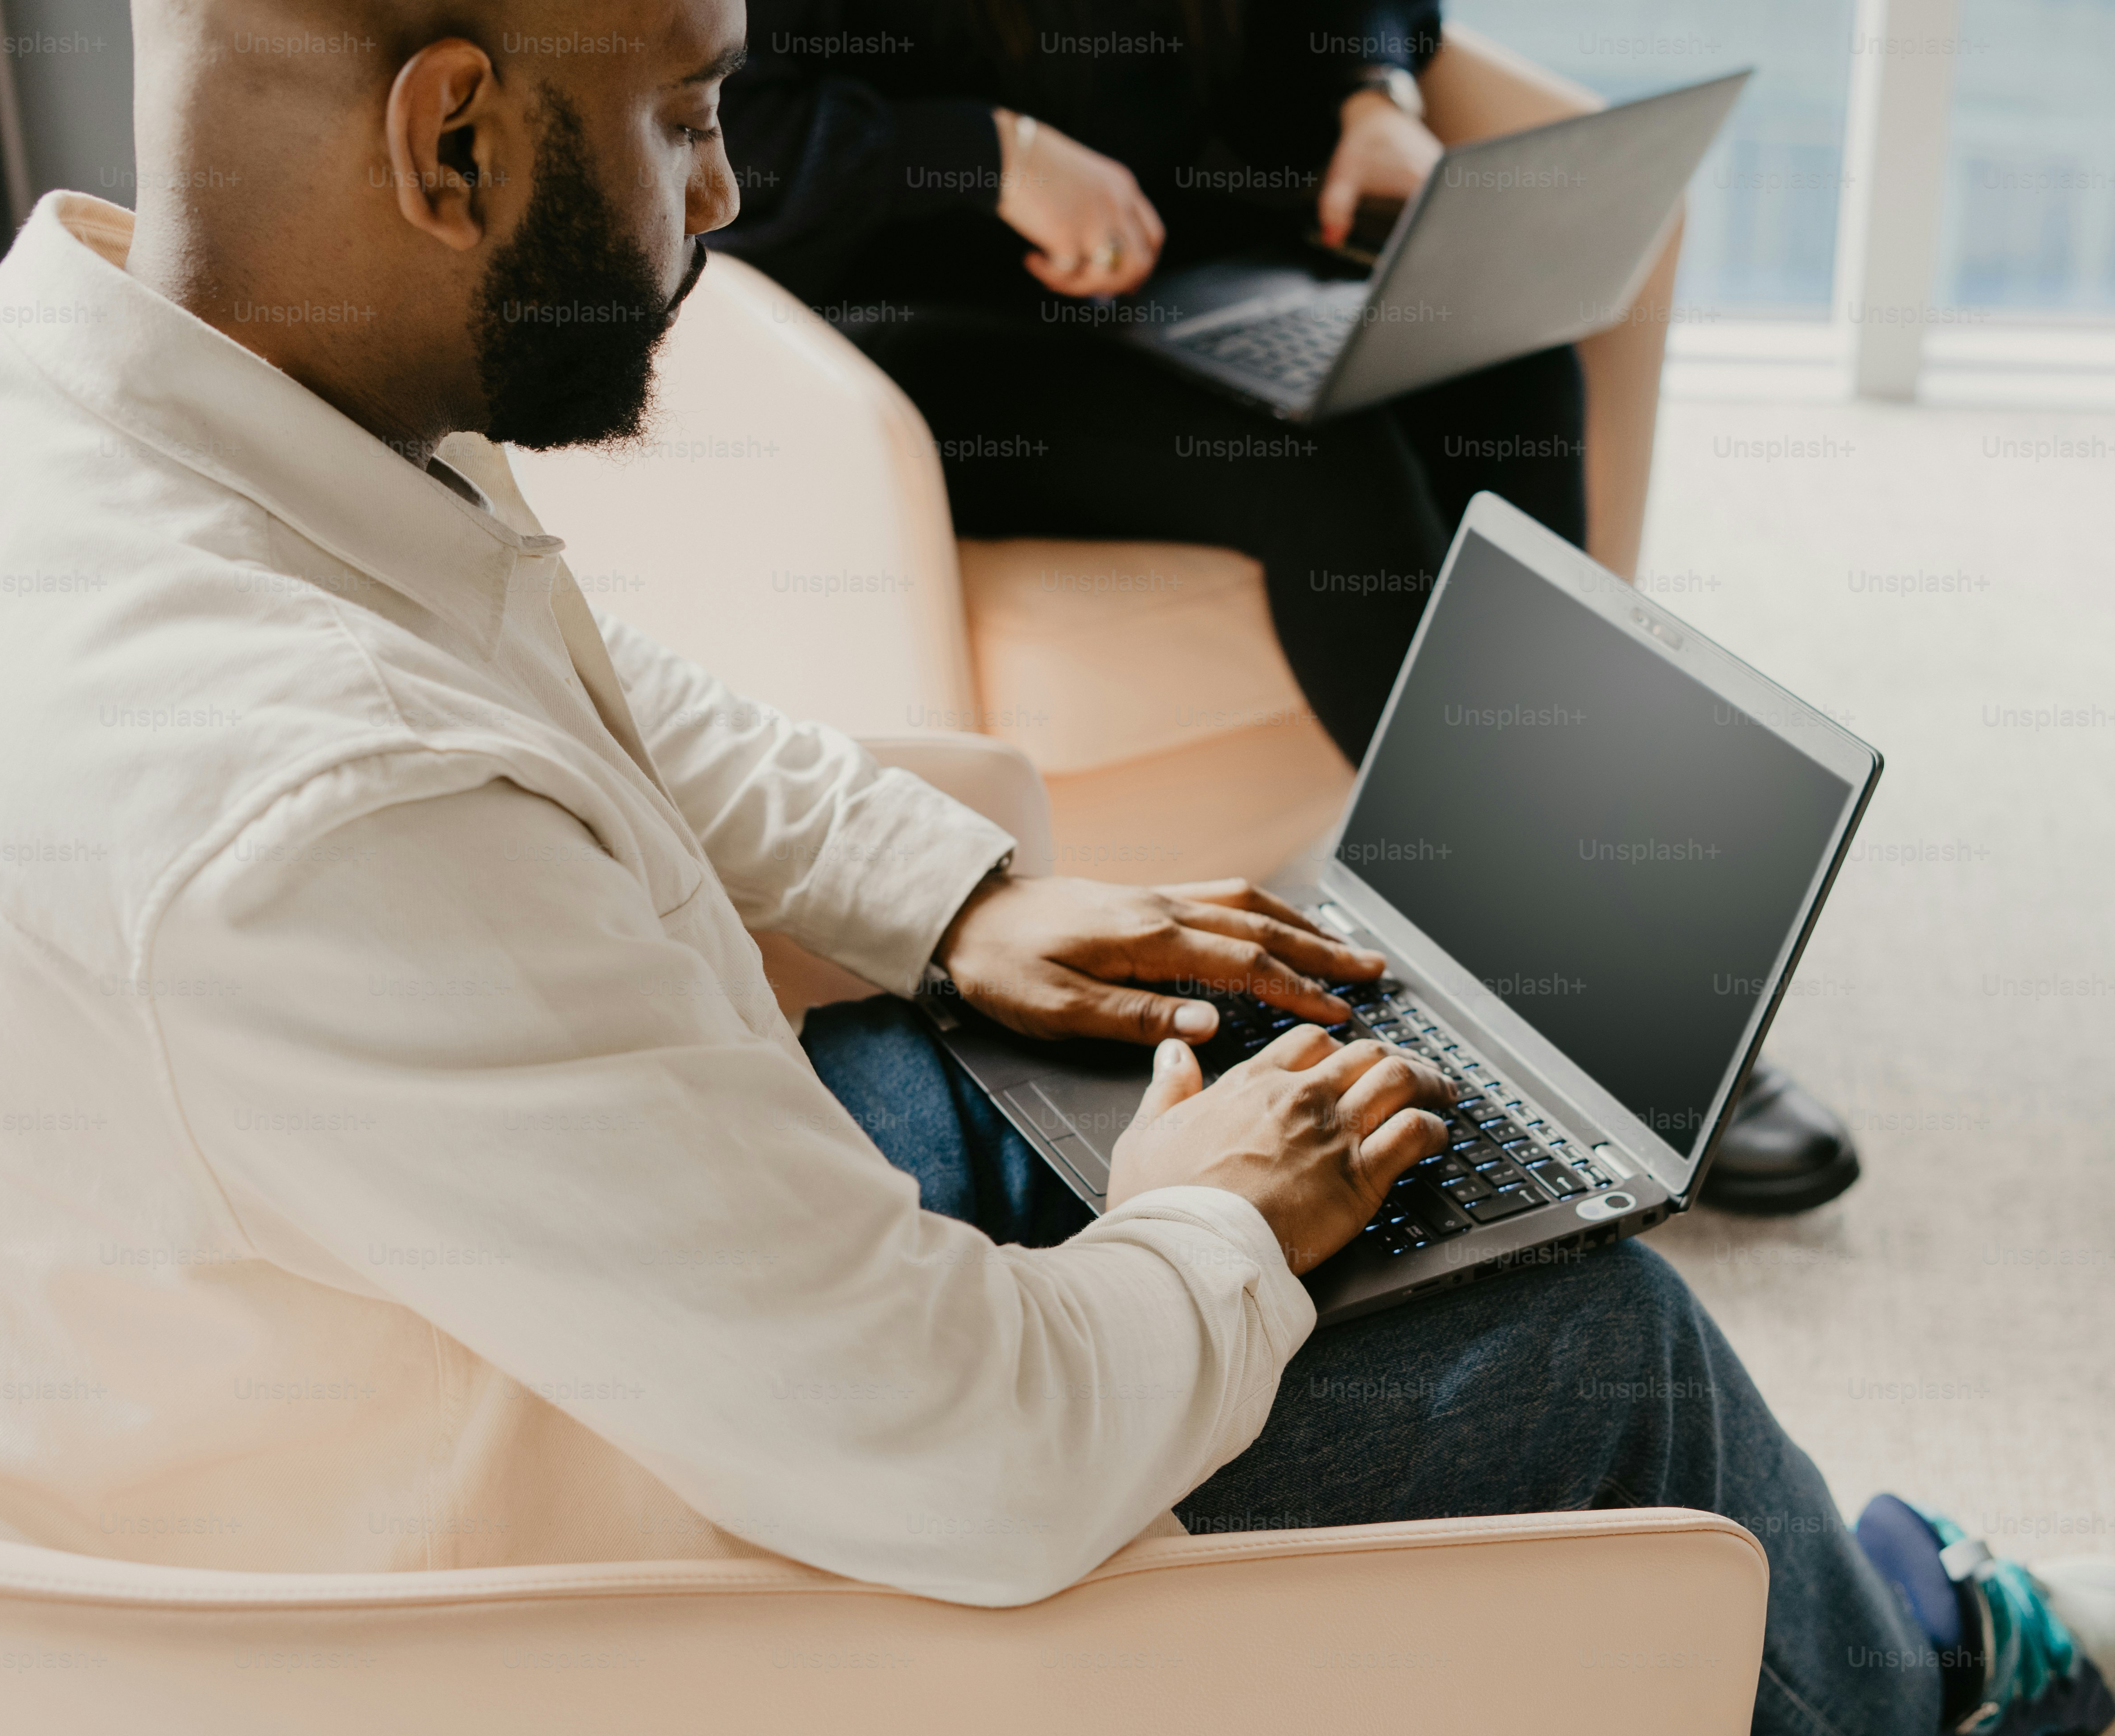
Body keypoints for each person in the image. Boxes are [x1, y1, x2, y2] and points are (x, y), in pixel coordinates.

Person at [0, 0, 2115, 1736]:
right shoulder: (327, 825)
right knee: (1606, 1354)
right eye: (693, 110)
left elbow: (579, 687)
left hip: (434, 1341)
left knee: (1066, 1070)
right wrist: (1205, 1222)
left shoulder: (67, 416)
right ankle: (1884, 1699)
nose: (724, 190)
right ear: (452, 143)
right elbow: (969, 1454)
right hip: (565, 1610)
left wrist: (960, 902)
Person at [714, 0, 1866, 1217]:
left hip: (1190, 256)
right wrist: (997, 153)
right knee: (1322, 463)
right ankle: (1592, 995)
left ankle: (1546, 926)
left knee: (1516, 374)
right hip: (919, 308)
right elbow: (736, 126)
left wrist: (1377, 91)